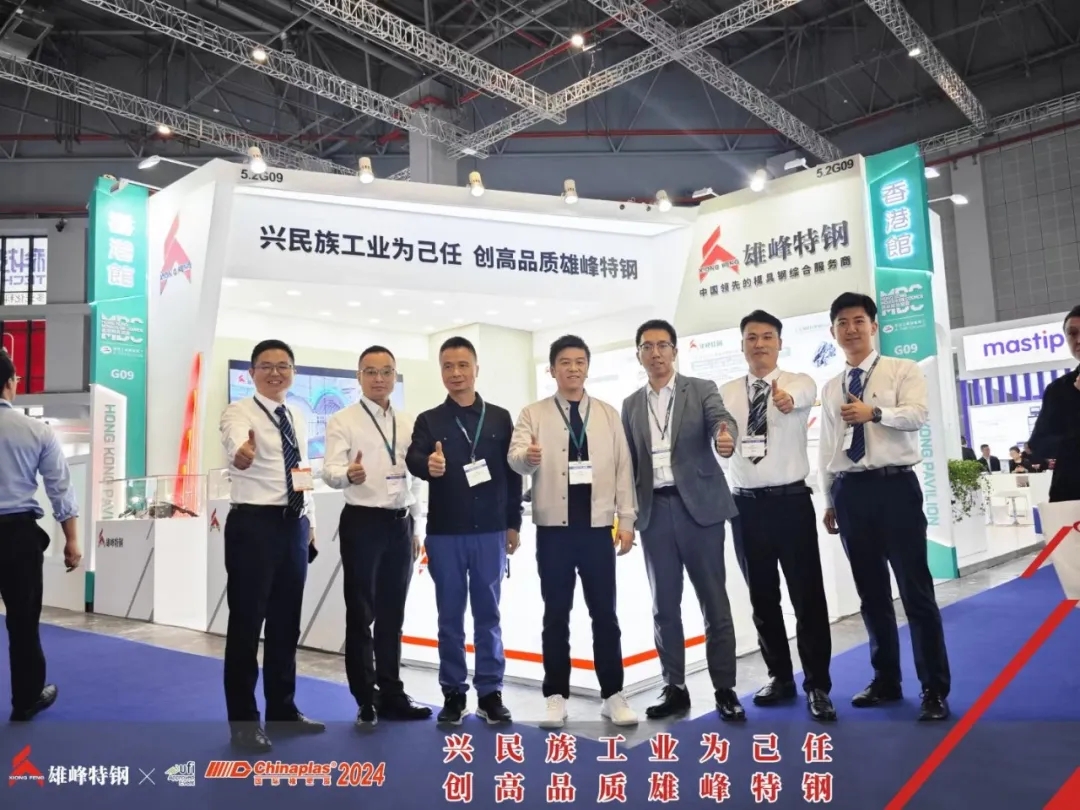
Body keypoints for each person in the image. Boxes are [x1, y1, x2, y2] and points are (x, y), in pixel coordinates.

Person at [819, 293, 951, 722]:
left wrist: (874, 412)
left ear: (873, 326)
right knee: (871, 594)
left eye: (858, 320)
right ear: (833, 332)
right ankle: (886, 680)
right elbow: (826, 447)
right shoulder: (831, 386)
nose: (851, 329)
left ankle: (933, 688)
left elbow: (917, 415)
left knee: (916, 591)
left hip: (896, 488)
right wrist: (829, 497)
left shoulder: (902, 369)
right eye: (842, 322)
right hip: (850, 492)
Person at [509, 335, 638, 729]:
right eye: (564, 362)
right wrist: (528, 457)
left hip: (598, 529)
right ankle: (555, 696)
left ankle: (613, 694)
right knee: (555, 615)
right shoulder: (533, 414)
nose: (573, 368)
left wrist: (626, 520)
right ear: (552, 369)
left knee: (605, 615)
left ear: (587, 367)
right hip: (554, 533)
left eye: (580, 361)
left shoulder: (607, 414)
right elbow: (515, 460)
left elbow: (623, 469)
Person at [621, 319, 746, 722]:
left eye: (662, 345)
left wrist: (725, 435)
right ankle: (674, 686)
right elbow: (628, 463)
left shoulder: (701, 388)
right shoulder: (631, 404)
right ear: (638, 355)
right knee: (664, 605)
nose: (655, 353)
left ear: (675, 351)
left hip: (700, 510)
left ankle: (724, 688)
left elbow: (721, 420)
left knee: (714, 602)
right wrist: (624, 515)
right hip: (655, 511)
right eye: (647, 346)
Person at [719, 311, 835, 722]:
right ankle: (780, 677)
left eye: (767, 336)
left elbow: (801, 395)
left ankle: (817, 685)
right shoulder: (725, 393)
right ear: (742, 345)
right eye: (752, 337)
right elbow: (719, 438)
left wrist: (786, 400)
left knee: (807, 596)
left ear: (779, 343)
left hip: (790, 503)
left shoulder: (798, 382)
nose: (760, 344)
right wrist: (720, 442)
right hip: (745, 507)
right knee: (762, 598)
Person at [405, 336, 521, 725]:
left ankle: (490, 692)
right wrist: (428, 465)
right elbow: (413, 457)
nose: (455, 373)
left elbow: (513, 475)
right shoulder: (429, 420)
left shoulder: (500, 418)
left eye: (462, 365)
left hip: (490, 531)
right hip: (445, 533)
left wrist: (513, 524)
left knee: (489, 614)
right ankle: (453, 692)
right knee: (449, 616)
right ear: (441, 371)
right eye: (448, 366)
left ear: (476, 368)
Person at [219, 339, 324, 751]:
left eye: (283, 366)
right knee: (246, 627)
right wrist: (240, 453)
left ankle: (282, 710)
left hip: (293, 527)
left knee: (285, 624)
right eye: (266, 366)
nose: (275, 373)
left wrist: (309, 520)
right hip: (253, 527)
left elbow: (301, 469)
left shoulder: (296, 415)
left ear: (293, 372)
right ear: (252, 373)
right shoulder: (238, 412)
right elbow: (235, 443)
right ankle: (244, 723)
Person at [323, 346, 429, 727]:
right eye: (370, 371)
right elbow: (330, 469)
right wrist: (346, 475)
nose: (379, 378)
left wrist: (416, 523)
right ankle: (365, 697)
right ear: (359, 377)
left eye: (386, 372)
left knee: (392, 614)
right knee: (360, 613)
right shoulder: (343, 420)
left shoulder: (408, 421)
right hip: (362, 522)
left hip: (400, 525)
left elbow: (416, 478)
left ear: (394, 376)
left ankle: (393, 692)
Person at [0, 349, 81, 722]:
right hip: (18, 537)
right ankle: (27, 699)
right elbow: (59, 489)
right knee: (23, 621)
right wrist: (72, 541)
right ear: (11, 384)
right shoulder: (37, 430)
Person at [1028, 305, 1080, 502]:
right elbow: (1040, 445)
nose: (1078, 340)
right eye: (1072, 334)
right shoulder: (1058, 390)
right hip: (1071, 493)